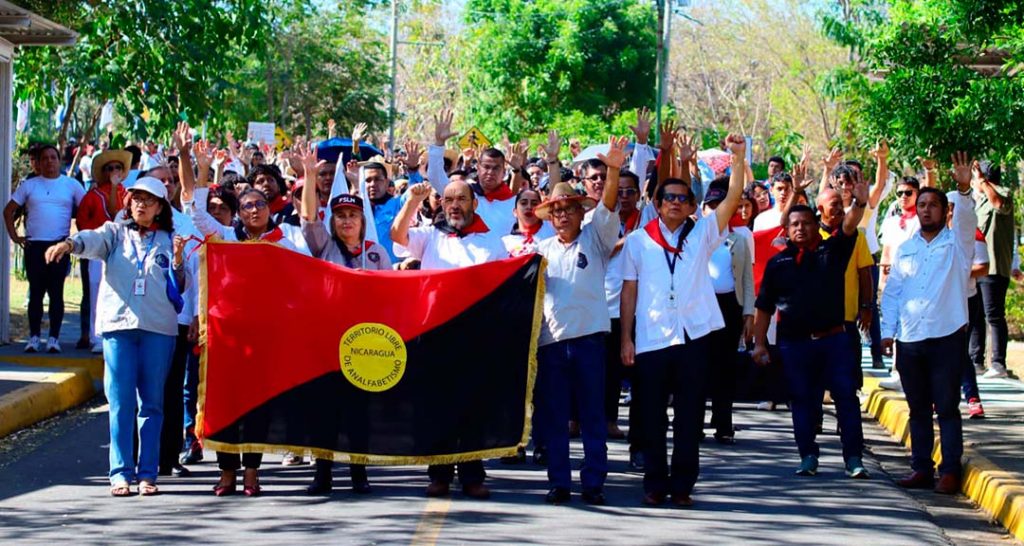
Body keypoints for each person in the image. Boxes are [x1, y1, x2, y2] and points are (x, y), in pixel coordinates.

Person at [619, 133, 745, 507]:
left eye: (682, 198)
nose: (675, 203)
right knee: (652, 416)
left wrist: (737, 159)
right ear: (656, 203)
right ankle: (655, 484)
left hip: (694, 336)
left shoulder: (703, 233)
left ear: (693, 205)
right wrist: (626, 338)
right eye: (668, 197)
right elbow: (629, 292)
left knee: (690, 416)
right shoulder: (640, 240)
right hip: (652, 338)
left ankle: (683, 485)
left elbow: (734, 197)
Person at [44, 176, 184, 497]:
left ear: (161, 207)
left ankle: (148, 473)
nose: (141, 204)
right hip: (118, 327)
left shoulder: (170, 239)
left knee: (152, 403)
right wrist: (68, 244)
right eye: (136, 198)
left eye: (149, 200)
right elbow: (90, 240)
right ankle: (120, 472)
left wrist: (177, 259)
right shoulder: (114, 232)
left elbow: (181, 287)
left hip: (158, 329)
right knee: (120, 402)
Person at [391, 177, 506, 499]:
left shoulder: (491, 242)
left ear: (474, 204)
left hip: (475, 338)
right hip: (435, 336)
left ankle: (472, 475)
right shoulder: (430, 237)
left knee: (472, 409)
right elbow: (397, 236)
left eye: (462, 199)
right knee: (435, 408)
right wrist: (413, 201)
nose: (455, 205)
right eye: (449, 200)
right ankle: (439, 474)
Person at [752, 166, 869, 479]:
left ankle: (853, 458)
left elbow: (848, 227)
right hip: (795, 344)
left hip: (834, 340)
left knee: (846, 398)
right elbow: (763, 307)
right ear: (787, 230)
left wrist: (858, 204)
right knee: (802, 401)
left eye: (806, 223)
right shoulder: (778, 263)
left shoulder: (833, 251)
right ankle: (807, 455)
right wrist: (760, 343)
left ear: (817, 225)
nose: (800, 228)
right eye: (794, 224)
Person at [530, 135, 624, 506]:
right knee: (554, 418)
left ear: (580, 212)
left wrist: (613, 169)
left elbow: (610, 203)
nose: (563, 214)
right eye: (557, 210)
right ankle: (559, 482)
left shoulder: (597, 239)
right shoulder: (540, 251)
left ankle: (594, 481)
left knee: (591, 416)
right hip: (550, 344)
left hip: (589, 341)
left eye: (570, 208)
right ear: (550, 216)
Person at [882, 152, 978, 495]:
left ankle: (950, 470)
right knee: (918, 408)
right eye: (921, 204)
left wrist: (964, 190)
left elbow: (967, 221)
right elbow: (893, 293)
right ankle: (921, 468)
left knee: (947, 407)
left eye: (933, 204)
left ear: (945, 211)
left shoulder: (958, 245)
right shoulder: (906, 248)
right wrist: (887, 333)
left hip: (946, 338)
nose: (925, 209)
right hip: (910, 339)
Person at [297, 147, 388, 495]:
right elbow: (308, 218)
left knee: (358, 412)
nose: (346, 220)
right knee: (325, 411)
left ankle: (359, 474)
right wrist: (308, 176)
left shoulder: (376, 254)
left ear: (362, 220)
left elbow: (390, 296)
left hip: (365, 343)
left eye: (353, 214)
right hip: (327, 341)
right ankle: (322, 474)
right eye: (340, 216)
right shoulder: (323, 246)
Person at [4, 143, 86, 353]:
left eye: (53, 157)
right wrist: (15, 237)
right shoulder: (29, 186)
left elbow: (87, 210)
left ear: (60, 161)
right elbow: (8, 211)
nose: (49, 161)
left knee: (56, 293)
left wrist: (77, 240)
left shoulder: (71, 185)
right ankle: (33, 337)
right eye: (45, 158)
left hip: (59, 245)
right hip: (34, 245)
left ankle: (53, 339)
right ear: (38, 163)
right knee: (36, 293)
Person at [702, 177, 755, 445]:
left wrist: (749, 314)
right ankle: (692, 421)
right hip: (700, 309)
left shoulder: (739, 240)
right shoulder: (694, 238)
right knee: (697, 367)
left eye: (720, 205)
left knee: (725, 367)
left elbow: (746, 279)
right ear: (703, 210)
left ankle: (723, 423)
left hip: (729, 307)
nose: (715, 211)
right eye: (710, 206)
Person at [817, 176, 875, 393]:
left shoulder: (854, 236)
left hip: (847, 319)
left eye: (842, 205)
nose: (841, 209)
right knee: (817, 377)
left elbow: (865, 272)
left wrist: (867, 307)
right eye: (835, 205)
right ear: (820, 209)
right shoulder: (809, 234)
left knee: (848, 378)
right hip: (816, 321)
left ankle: (846, 423)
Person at [427, 109, 523, 235]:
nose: (490, 172)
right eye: (486, 167)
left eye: (496, 168)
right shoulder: (464, 194)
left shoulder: (514, 202)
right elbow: (435, 177)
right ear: (478, 168)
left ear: (504, 171)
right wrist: (439, 144)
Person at [75, 149, 131, 354]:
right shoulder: (93, 195)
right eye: (110, 168)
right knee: (94, 290)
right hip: (98, 251)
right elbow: (82, 221)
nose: (114, 171)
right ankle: (94, 335)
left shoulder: (127, 194)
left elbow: (120, 215)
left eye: (118, 167)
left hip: (122, 250)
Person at [971, 160, 1015, 379]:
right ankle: (975, 360)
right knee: (976, 314)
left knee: (994, 315)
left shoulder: (1002, 194)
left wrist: (982, 181)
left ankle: (998, 363)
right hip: (978, 266)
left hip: (995, 266)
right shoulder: (978, 202)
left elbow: (999, 204)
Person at [502, 188, 554, 256]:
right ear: (515, 212)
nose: (529, 207)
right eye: (523, 203)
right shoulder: (504, 243)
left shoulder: (552, 230)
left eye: (534, 204)